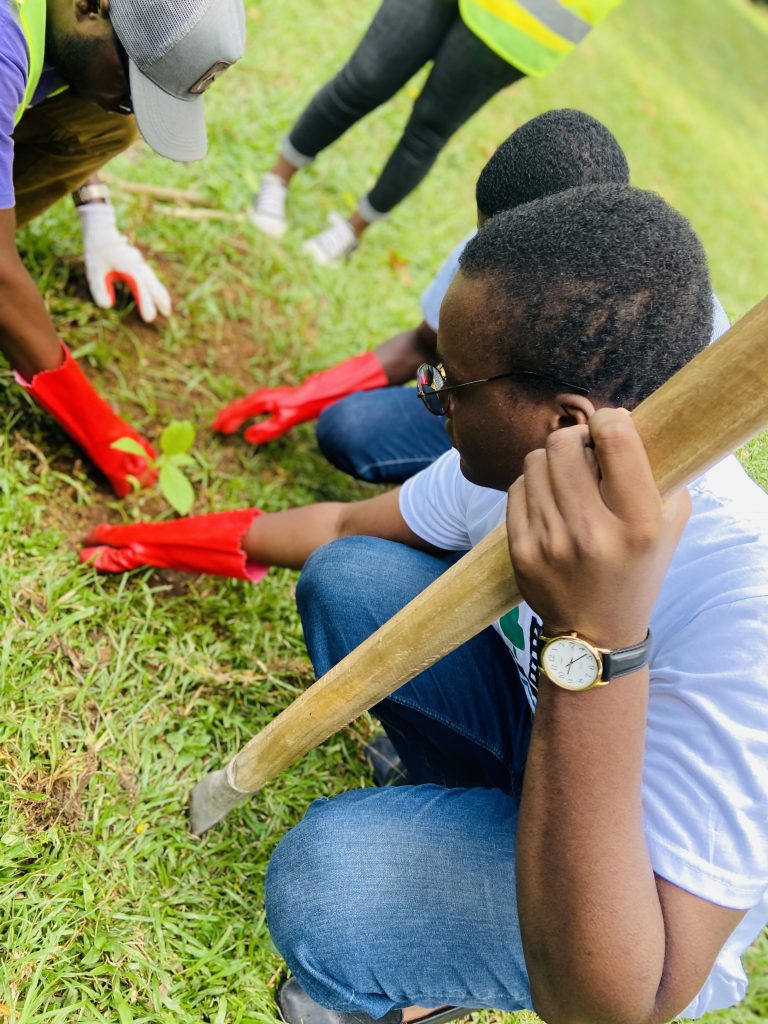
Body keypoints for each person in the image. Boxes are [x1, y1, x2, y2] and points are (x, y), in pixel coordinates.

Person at [81, 184, 768, 1023]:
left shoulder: (744, 609)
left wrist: (598, 637)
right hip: (543, 734)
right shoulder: (546, 461)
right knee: (352, 577)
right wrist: (177, 538)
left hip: (624, 908)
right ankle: (468, 803)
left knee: (333, 881)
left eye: (450, 383)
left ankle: (414, 991)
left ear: (564, 418)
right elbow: (340, 522)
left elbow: (628, 999)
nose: (428, 394)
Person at [220, 108, 731, 484]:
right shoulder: (497, 247)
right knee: (351, 427)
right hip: (493, 422)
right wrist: (306, 395)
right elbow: (424, 347)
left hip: (586, 477)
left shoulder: (677, 326)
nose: (484, 252)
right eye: (485, 239)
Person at [2, 0, 245, 495]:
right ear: (92, 5)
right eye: (134, 86)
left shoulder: (66, 21)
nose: (129, 102)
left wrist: (98, 219)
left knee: (105, 118)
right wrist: (97, 426)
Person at [249, 0, 622, 264]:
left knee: (428, 129)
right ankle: (277, 178)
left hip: (522, 21)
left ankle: (351, 231)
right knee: (363, 79)